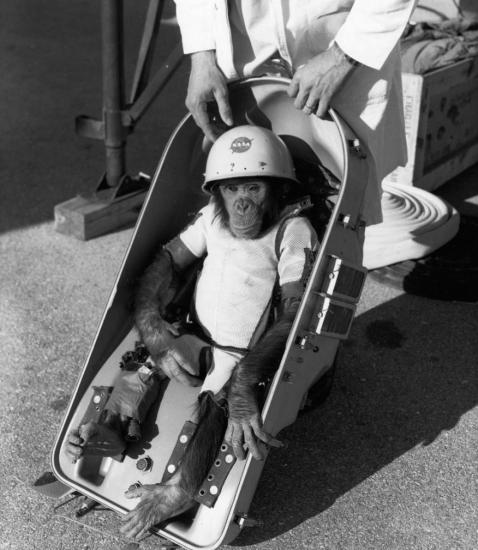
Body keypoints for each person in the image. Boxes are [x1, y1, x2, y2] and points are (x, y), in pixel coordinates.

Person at [66, 125, 319, 540]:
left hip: (241, 354)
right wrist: (154, 331)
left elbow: (298, 312)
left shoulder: (292, 230)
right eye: (232, 190)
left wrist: (245, 382)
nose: (242, 205)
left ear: (276, 190)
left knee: (223, 403)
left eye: (253, 189)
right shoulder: (212, 219)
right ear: (217, 192)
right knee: (143, 366)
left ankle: (181, 491)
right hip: (195, 335)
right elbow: (163, 265)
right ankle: (104, 429)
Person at [174, 0, 417, 227]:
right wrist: (201, 54)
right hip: (244, 52)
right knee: (233, 197)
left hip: (342, 51)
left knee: (342, 215)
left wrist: (342, 57)